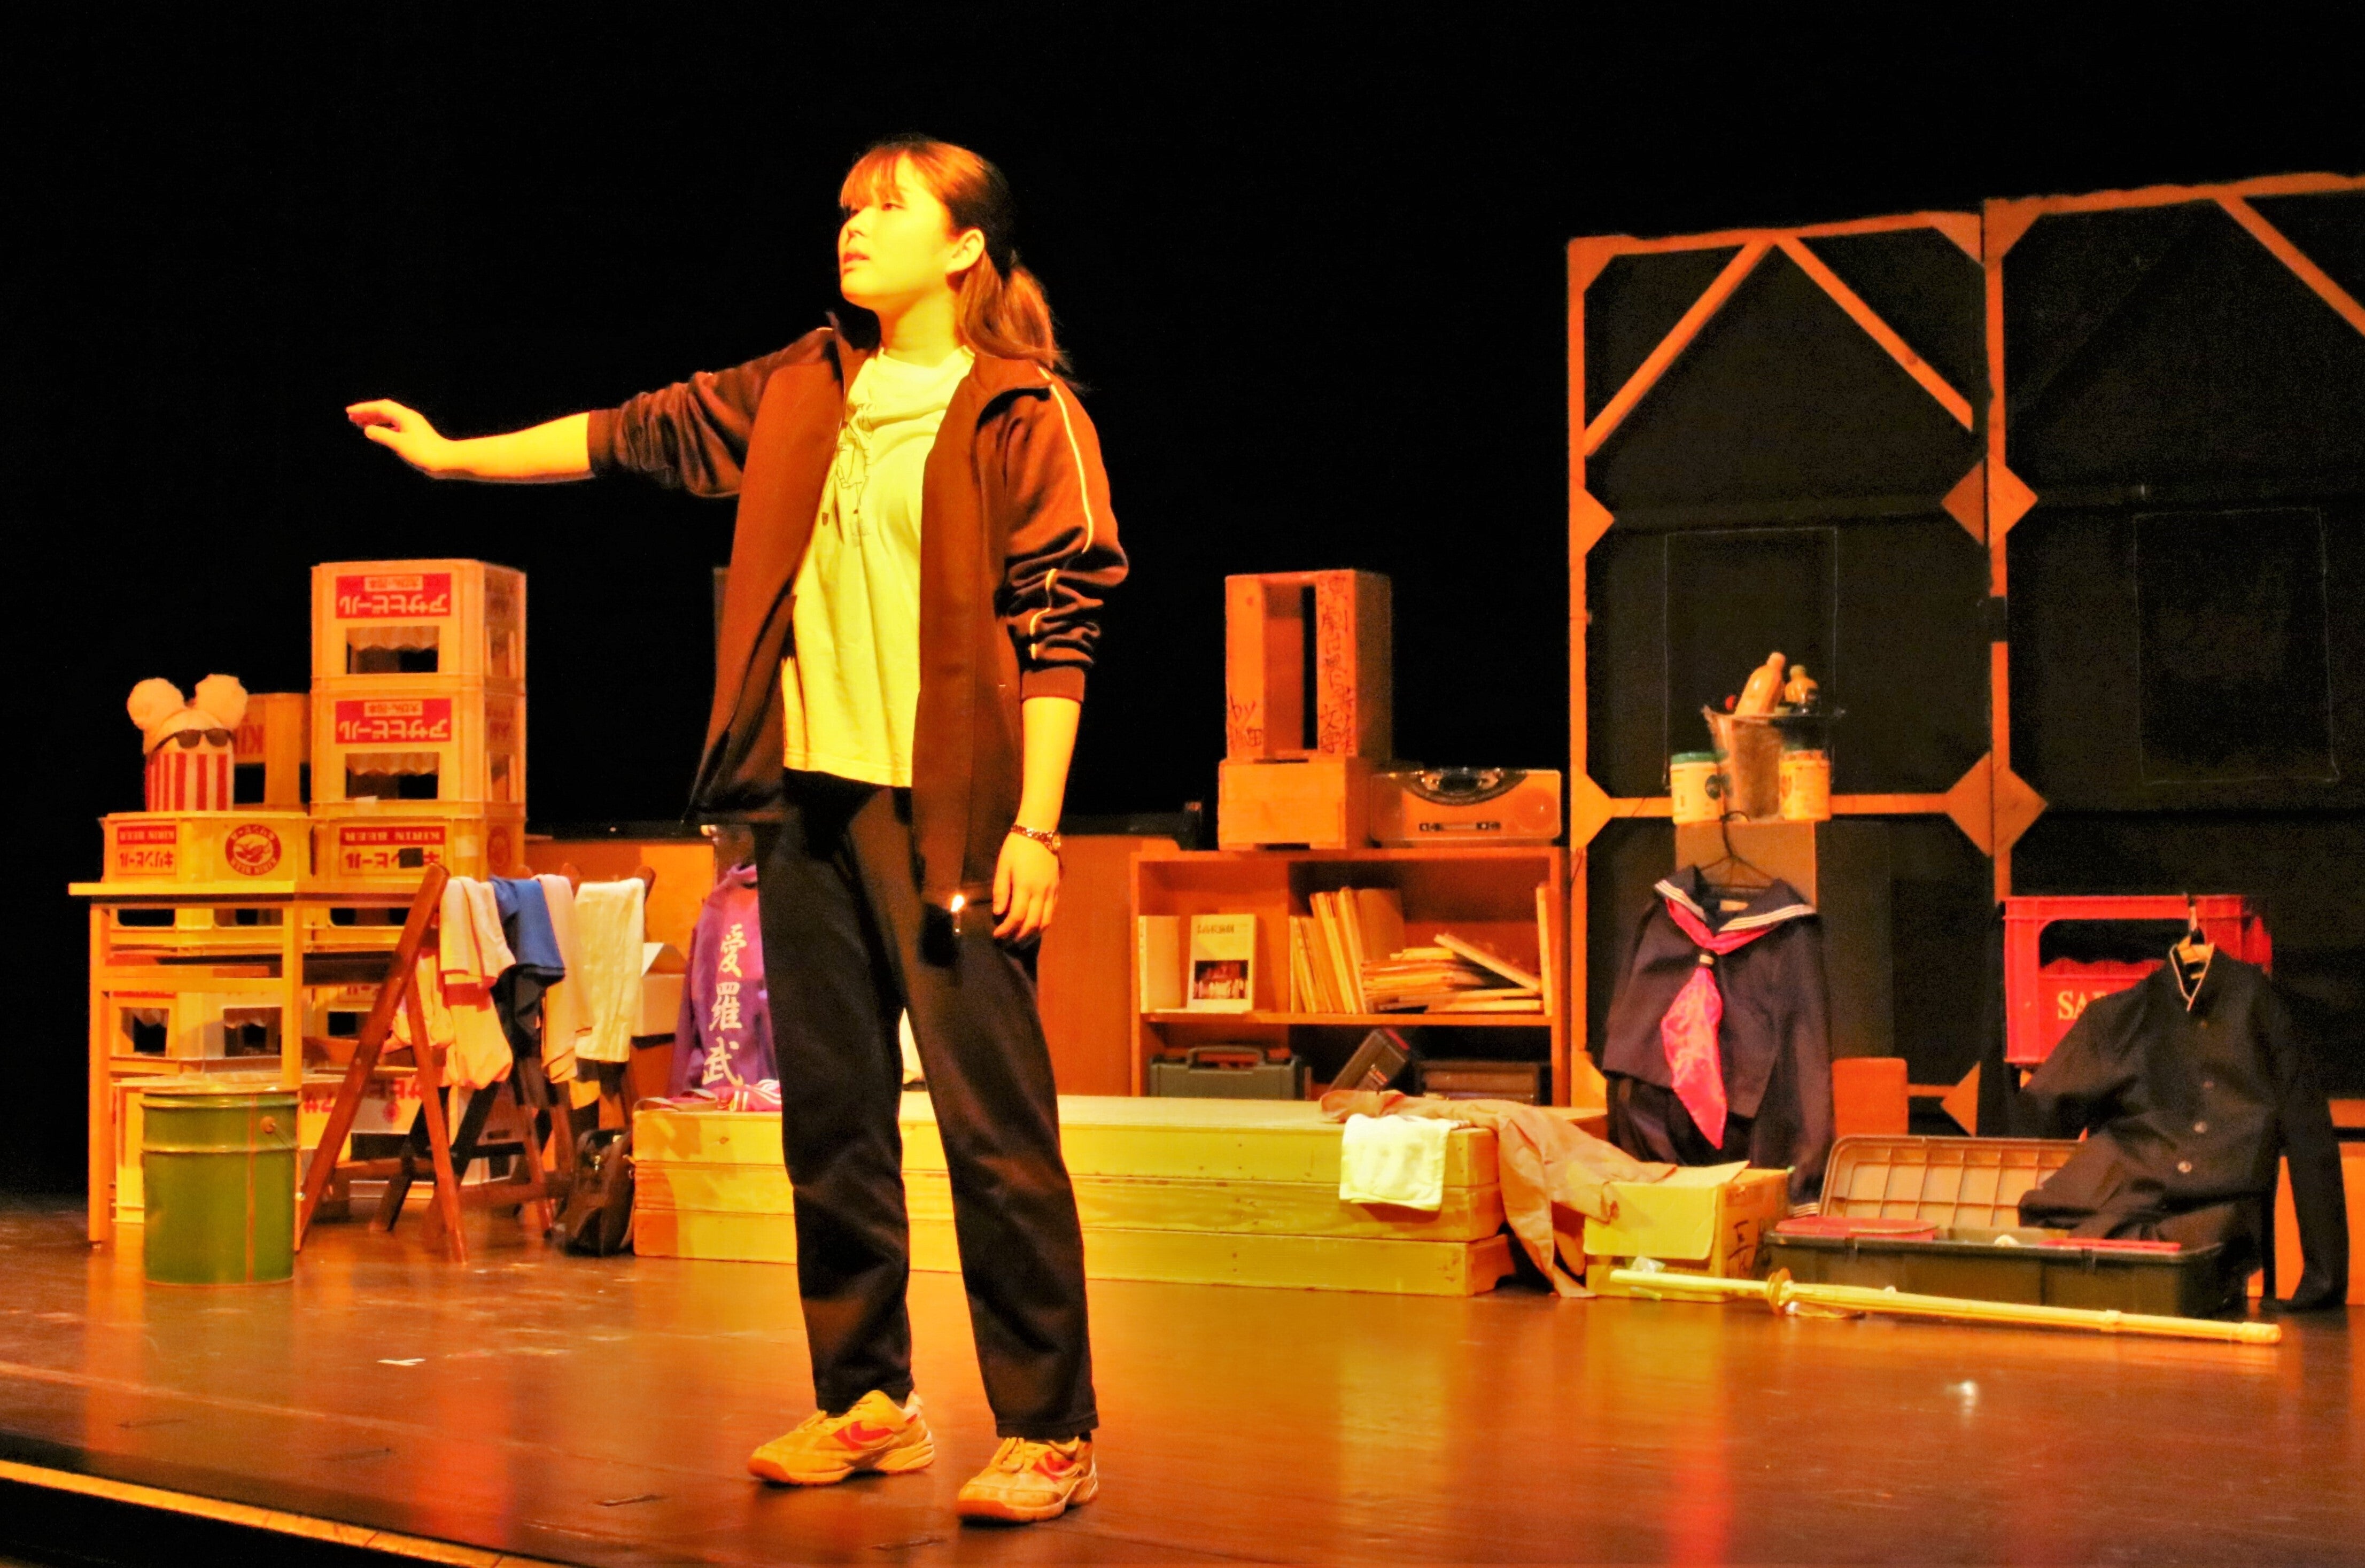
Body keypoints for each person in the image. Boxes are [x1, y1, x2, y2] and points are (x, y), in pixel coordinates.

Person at [347, 136, 1124, 1526]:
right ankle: (868, 1398)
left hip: (951, 813)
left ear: (964, 246)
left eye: (888, 209)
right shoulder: (803, 385)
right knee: (830, 1119)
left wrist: (1040, 830)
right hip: (806, 804)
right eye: (848, 207)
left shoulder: (1024, 410)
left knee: (990, 1127)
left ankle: (1049, 1428)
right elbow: (628, 433)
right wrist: (457, 460)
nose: (853, 226)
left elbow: (1063, 624)